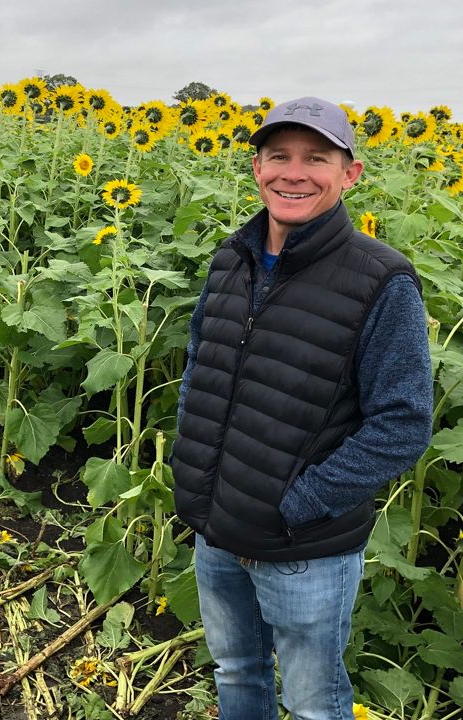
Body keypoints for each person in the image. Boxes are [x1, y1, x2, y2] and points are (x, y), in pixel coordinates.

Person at [169, 97, 433, 719]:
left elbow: (403, 424)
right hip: (216, 526)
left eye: (316, 158)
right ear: (257, 168)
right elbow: (199, 370)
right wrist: (195, 469)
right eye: (278, 156)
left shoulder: (381, 280)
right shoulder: (229, 260)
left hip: (302, 547)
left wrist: (299, 505)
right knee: (236, 674)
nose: (294, 173)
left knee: (314, 704)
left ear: (351, 173)